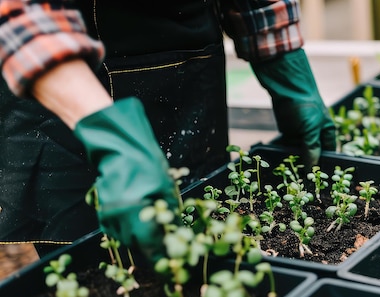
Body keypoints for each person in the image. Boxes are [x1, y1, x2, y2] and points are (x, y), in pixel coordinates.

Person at [0, 0, 336, 261]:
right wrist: (109, 136)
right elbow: (24, 19)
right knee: (95, 263)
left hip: (187, 52)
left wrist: (279, 52)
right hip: (66, 86)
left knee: (201, 222)